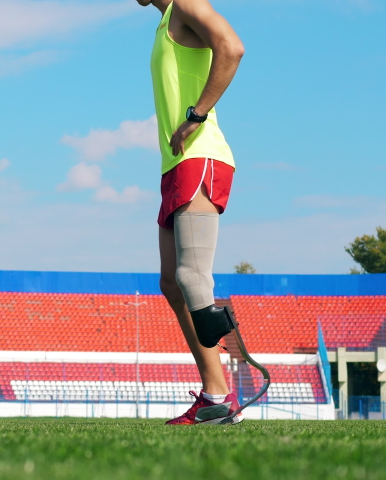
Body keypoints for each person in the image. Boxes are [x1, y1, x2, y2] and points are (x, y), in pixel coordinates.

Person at [137, 0, 245, 425]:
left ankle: (222, 396)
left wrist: (196, 116)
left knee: (191, 276)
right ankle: (213, 394)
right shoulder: (166, 20)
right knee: (172, 283)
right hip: (176, 163)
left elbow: (232, 47)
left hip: (200, 156)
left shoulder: (186, 3)